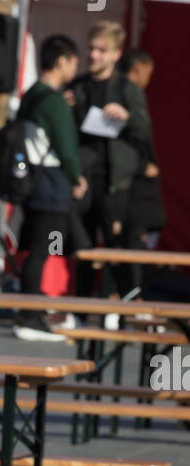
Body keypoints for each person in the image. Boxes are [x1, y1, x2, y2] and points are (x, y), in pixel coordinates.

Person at [71, 23, 155, 300]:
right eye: (91, 48)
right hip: (84, 177)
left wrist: (127, 116)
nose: (93, 55)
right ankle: (81, 308)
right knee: (82, 246)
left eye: (101, 50)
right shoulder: (78, 87)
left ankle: (127, 304)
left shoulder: (127, 89)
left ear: (115, 54)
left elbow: (144, 132)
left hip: (115, 182)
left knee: (117, 246)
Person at [14, 34, 87, 340]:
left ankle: (34, 312)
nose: (76, 66)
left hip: (31, 181)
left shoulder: (32, 94)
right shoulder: (54, 101)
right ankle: (31, 318)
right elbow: (67, 148)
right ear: (61, 62)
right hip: (51, 183)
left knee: (35, 248)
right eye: (73, 60)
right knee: (42, 252)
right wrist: (77, 178)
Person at [120, 48, 166, 286]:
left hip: (138, 190)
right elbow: (119, 142)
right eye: (148, 73)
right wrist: (140, 166)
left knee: (135, 243)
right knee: (131, 244)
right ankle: (131, 298)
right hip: (131, 190)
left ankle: (129, 296)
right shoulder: (128, 93)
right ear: (138, 69)